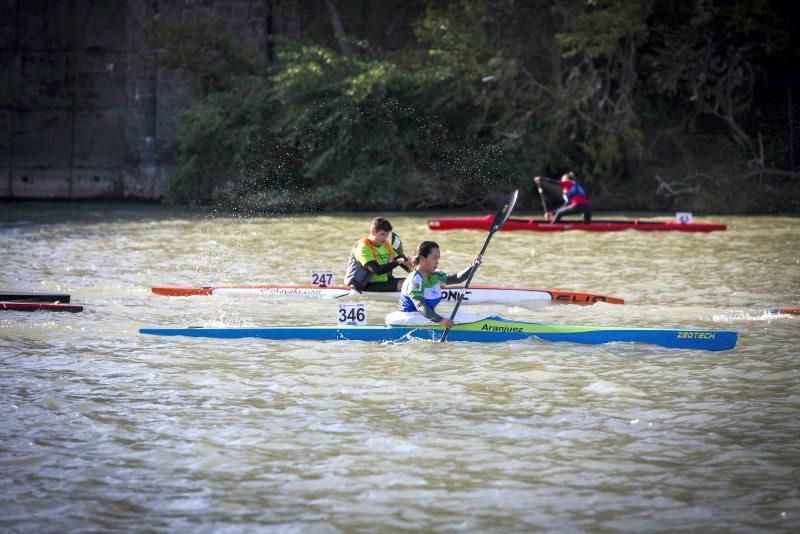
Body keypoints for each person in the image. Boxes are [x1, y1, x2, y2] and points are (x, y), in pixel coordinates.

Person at [390, 241, 482, 328]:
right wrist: (441, 320)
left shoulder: (435, 274)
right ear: (422, 258)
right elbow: (420, 306)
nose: (437, 262)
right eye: (434, 258)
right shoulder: (415, 280)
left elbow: (457, 278)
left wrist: (472, 266)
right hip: (409, 318)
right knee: (459, 318)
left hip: (425, 316)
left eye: (438, 258)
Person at [344, 217, 410, 292]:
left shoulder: (385, 244)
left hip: (383, 282)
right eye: (382, 234)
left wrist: (410, 263)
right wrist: (398, 262)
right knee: (408, 285)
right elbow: (377, 270)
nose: (385, 238)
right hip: (363, 285)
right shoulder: (363, 247)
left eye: (387, 235)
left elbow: (399, 259)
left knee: (412, 281)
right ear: (373, 232)